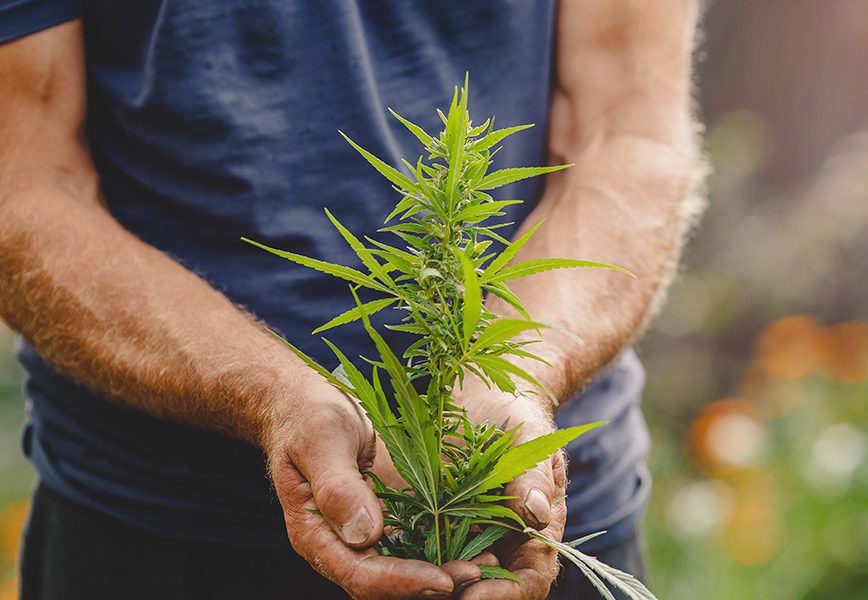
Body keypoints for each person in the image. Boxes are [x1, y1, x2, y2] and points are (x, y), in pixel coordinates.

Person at [0, 1, 702, 599]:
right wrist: (273, 394)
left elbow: (630, 129)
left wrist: (511, 376)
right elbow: (21, 182)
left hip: (517, 521)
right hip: (158, 528)